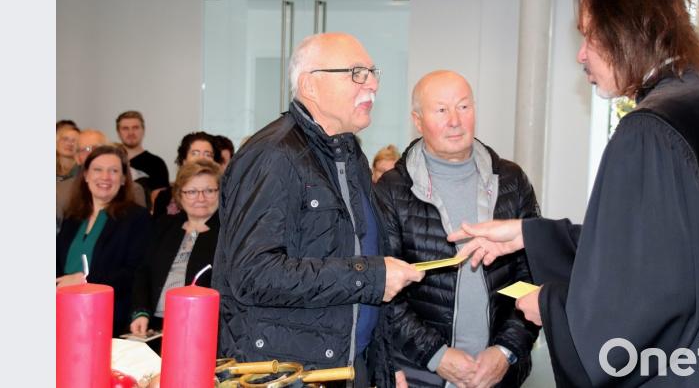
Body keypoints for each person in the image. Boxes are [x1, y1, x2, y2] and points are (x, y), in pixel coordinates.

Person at [450, 0, 699, 387]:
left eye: (588, 35)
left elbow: (647, 296)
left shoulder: (650, 130)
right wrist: (527, 235)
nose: (581, 55)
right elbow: (660, 246)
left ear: (625, 30)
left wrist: (549, 306)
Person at [212, 32, 424, 387]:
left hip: (345, 365)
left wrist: (385, 365)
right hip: (287, 372)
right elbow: (253, 275)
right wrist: (370, 277)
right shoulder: (273, 156)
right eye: (356, 72)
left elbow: (357, 252)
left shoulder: (348, 152)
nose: (371, 83)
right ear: (311, 85)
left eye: (372, 72)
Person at [374, 70, 540, 388]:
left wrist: (506, 350)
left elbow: (531, 276)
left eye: (463, 107)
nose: (455, 120)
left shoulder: (510, 180)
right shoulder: (393, 190)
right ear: (418, 120)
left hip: (498, 373)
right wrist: (437, 356)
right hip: (421, 374)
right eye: (441, 110)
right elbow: (381, 287)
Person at [57, 145, 152, 336]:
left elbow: (132, 272)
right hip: (61, 311)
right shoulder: (73, 216)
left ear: (124, 178)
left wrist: (83, 280)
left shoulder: (136, 217)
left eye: (114, 171)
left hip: (105, 316)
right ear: (85, 175)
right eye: (98, 169)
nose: (105, 177)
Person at [130, 159, 222, 352]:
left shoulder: (227, 235)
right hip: (154, 326)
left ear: (220, 193)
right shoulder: (164, 226)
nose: (201, 198)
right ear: (180, 195)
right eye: (191, 191)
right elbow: (143, 272)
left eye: (209, 190)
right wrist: (141, 313)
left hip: (201, 330)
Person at [57, 129, 147, 232]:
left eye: (97, 148)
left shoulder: (133, 190)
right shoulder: (60, 191)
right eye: (85, 149)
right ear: (77, 158)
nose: (92, 153)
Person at [152, 131, 222, 217]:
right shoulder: (164, 197)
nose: (201, 159)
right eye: (195, 153)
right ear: (184, 160)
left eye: (208, 155)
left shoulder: (224, 195)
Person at [116, 110, 170, 207]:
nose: (130, 132)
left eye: (135, 128)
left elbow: (160, 202)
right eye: (125, 128)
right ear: (118, 132)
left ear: (143, 130)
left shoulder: (156, 163)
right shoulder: (113, 161)